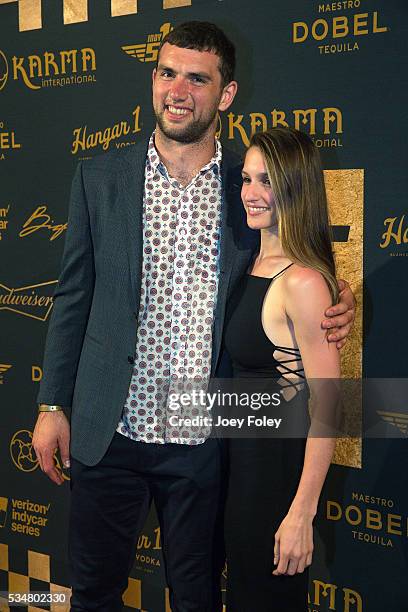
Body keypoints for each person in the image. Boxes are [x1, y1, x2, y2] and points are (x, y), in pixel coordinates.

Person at [32, 22, 354, 612]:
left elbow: (293, 267)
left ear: (226, 95)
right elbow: (72, 299)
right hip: (110, 431)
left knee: (197, 597)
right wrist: (53, 404)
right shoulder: (100, 178)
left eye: (197, 78)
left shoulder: (250, 186)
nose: (177, 90)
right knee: (93, 593)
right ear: (153, 79)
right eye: (166, 72)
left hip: (204, 444)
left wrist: (336, 298)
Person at [223, 127, 342, 611]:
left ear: (295, 187)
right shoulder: (248, 262)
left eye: (266, 181)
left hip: (271, 484)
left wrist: (301, 513)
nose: (251, 193)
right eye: (247, 180)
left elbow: (331, 405)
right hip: (234, 474)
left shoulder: (304, 282)